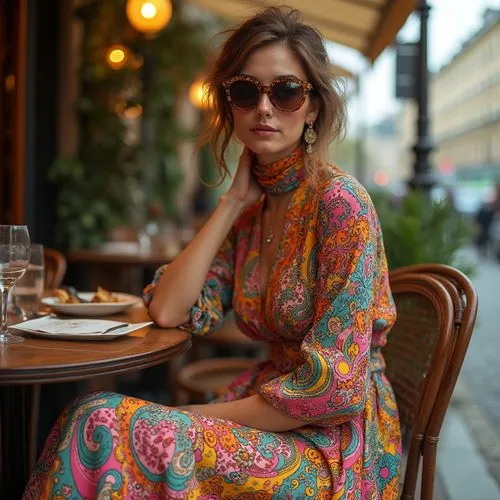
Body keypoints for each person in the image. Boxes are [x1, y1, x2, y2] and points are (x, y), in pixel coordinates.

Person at [24, 7, 401, 499]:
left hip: (336, 450)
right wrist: (232, 202)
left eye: (286, 91)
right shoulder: (251, 216)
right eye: (247, 91)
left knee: (107, 422)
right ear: (230, 105)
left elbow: (334, 391)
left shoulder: (340, 204)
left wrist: (183, 418)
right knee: (90, 413)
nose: (264, 108)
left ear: (312, 107)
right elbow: (168, 308)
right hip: (270, 419)